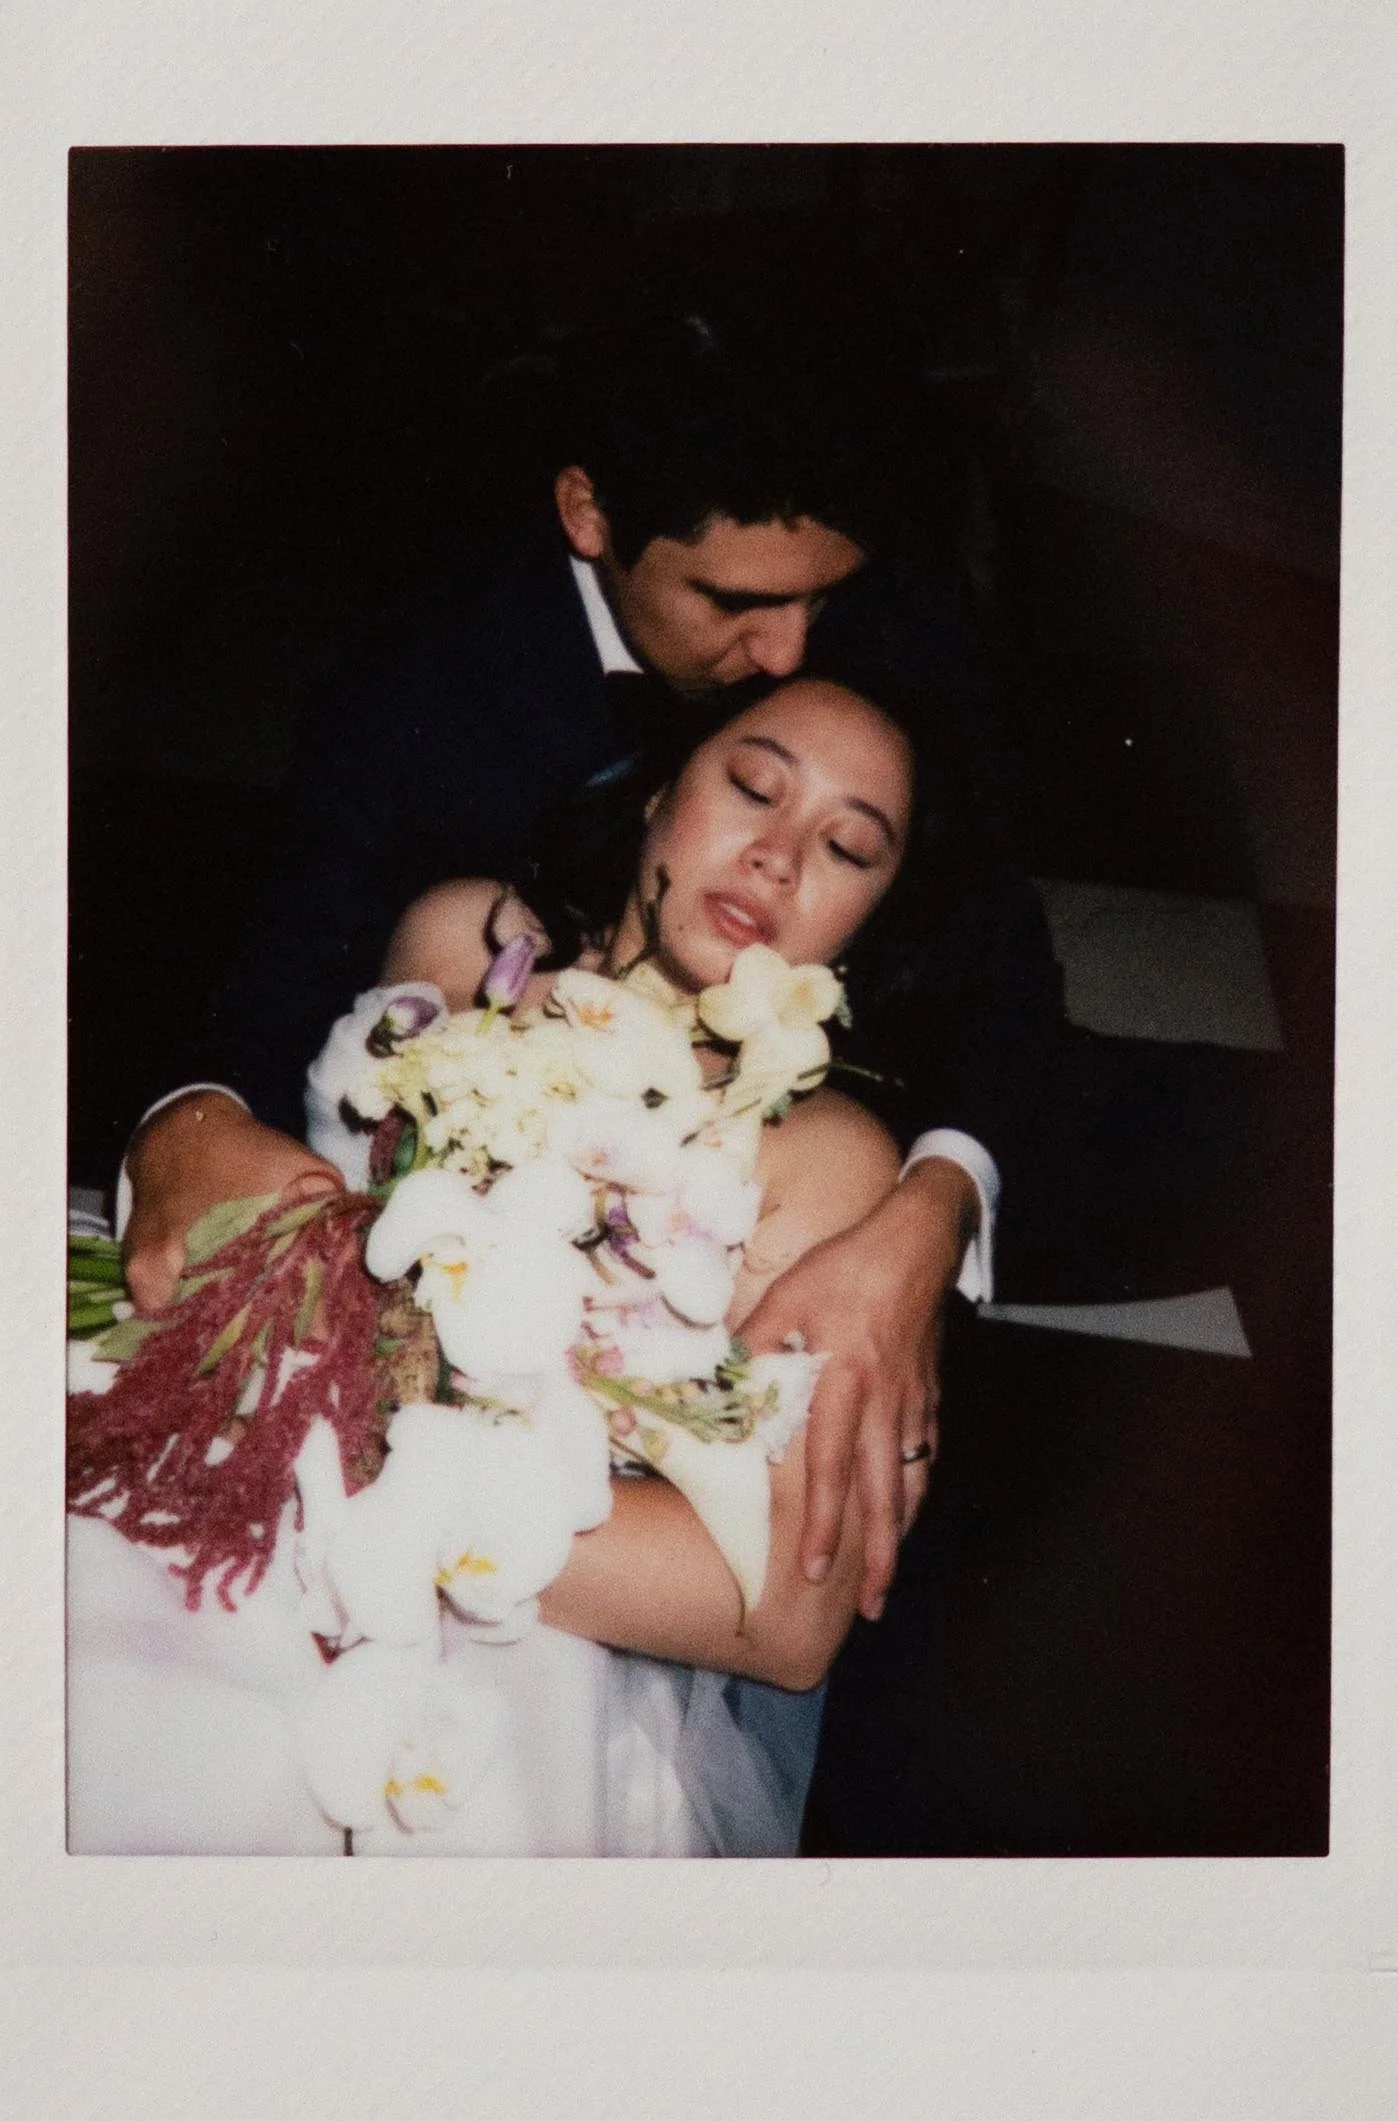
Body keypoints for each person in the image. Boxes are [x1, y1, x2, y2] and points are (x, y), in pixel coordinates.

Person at [115, 274, 1064, 1634]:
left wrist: (926, 1218)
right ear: (588, 514)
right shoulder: (422, 691)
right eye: (738, 600)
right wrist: (187, 1120)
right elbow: (272, 962)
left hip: (708, 1317)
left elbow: (1007, 981)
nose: (789, 652)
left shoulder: (864, 629)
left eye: (823, 603)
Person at [69, 677, 939, 1856]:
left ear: (865, 925)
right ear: (657, 796)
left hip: (505, 1591)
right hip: (240, 1414)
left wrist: (371, 1431)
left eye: (845, 847)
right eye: (751, 786)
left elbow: (789, 1618)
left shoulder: (824, 1154)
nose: (780, 857)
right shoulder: (469, 937)